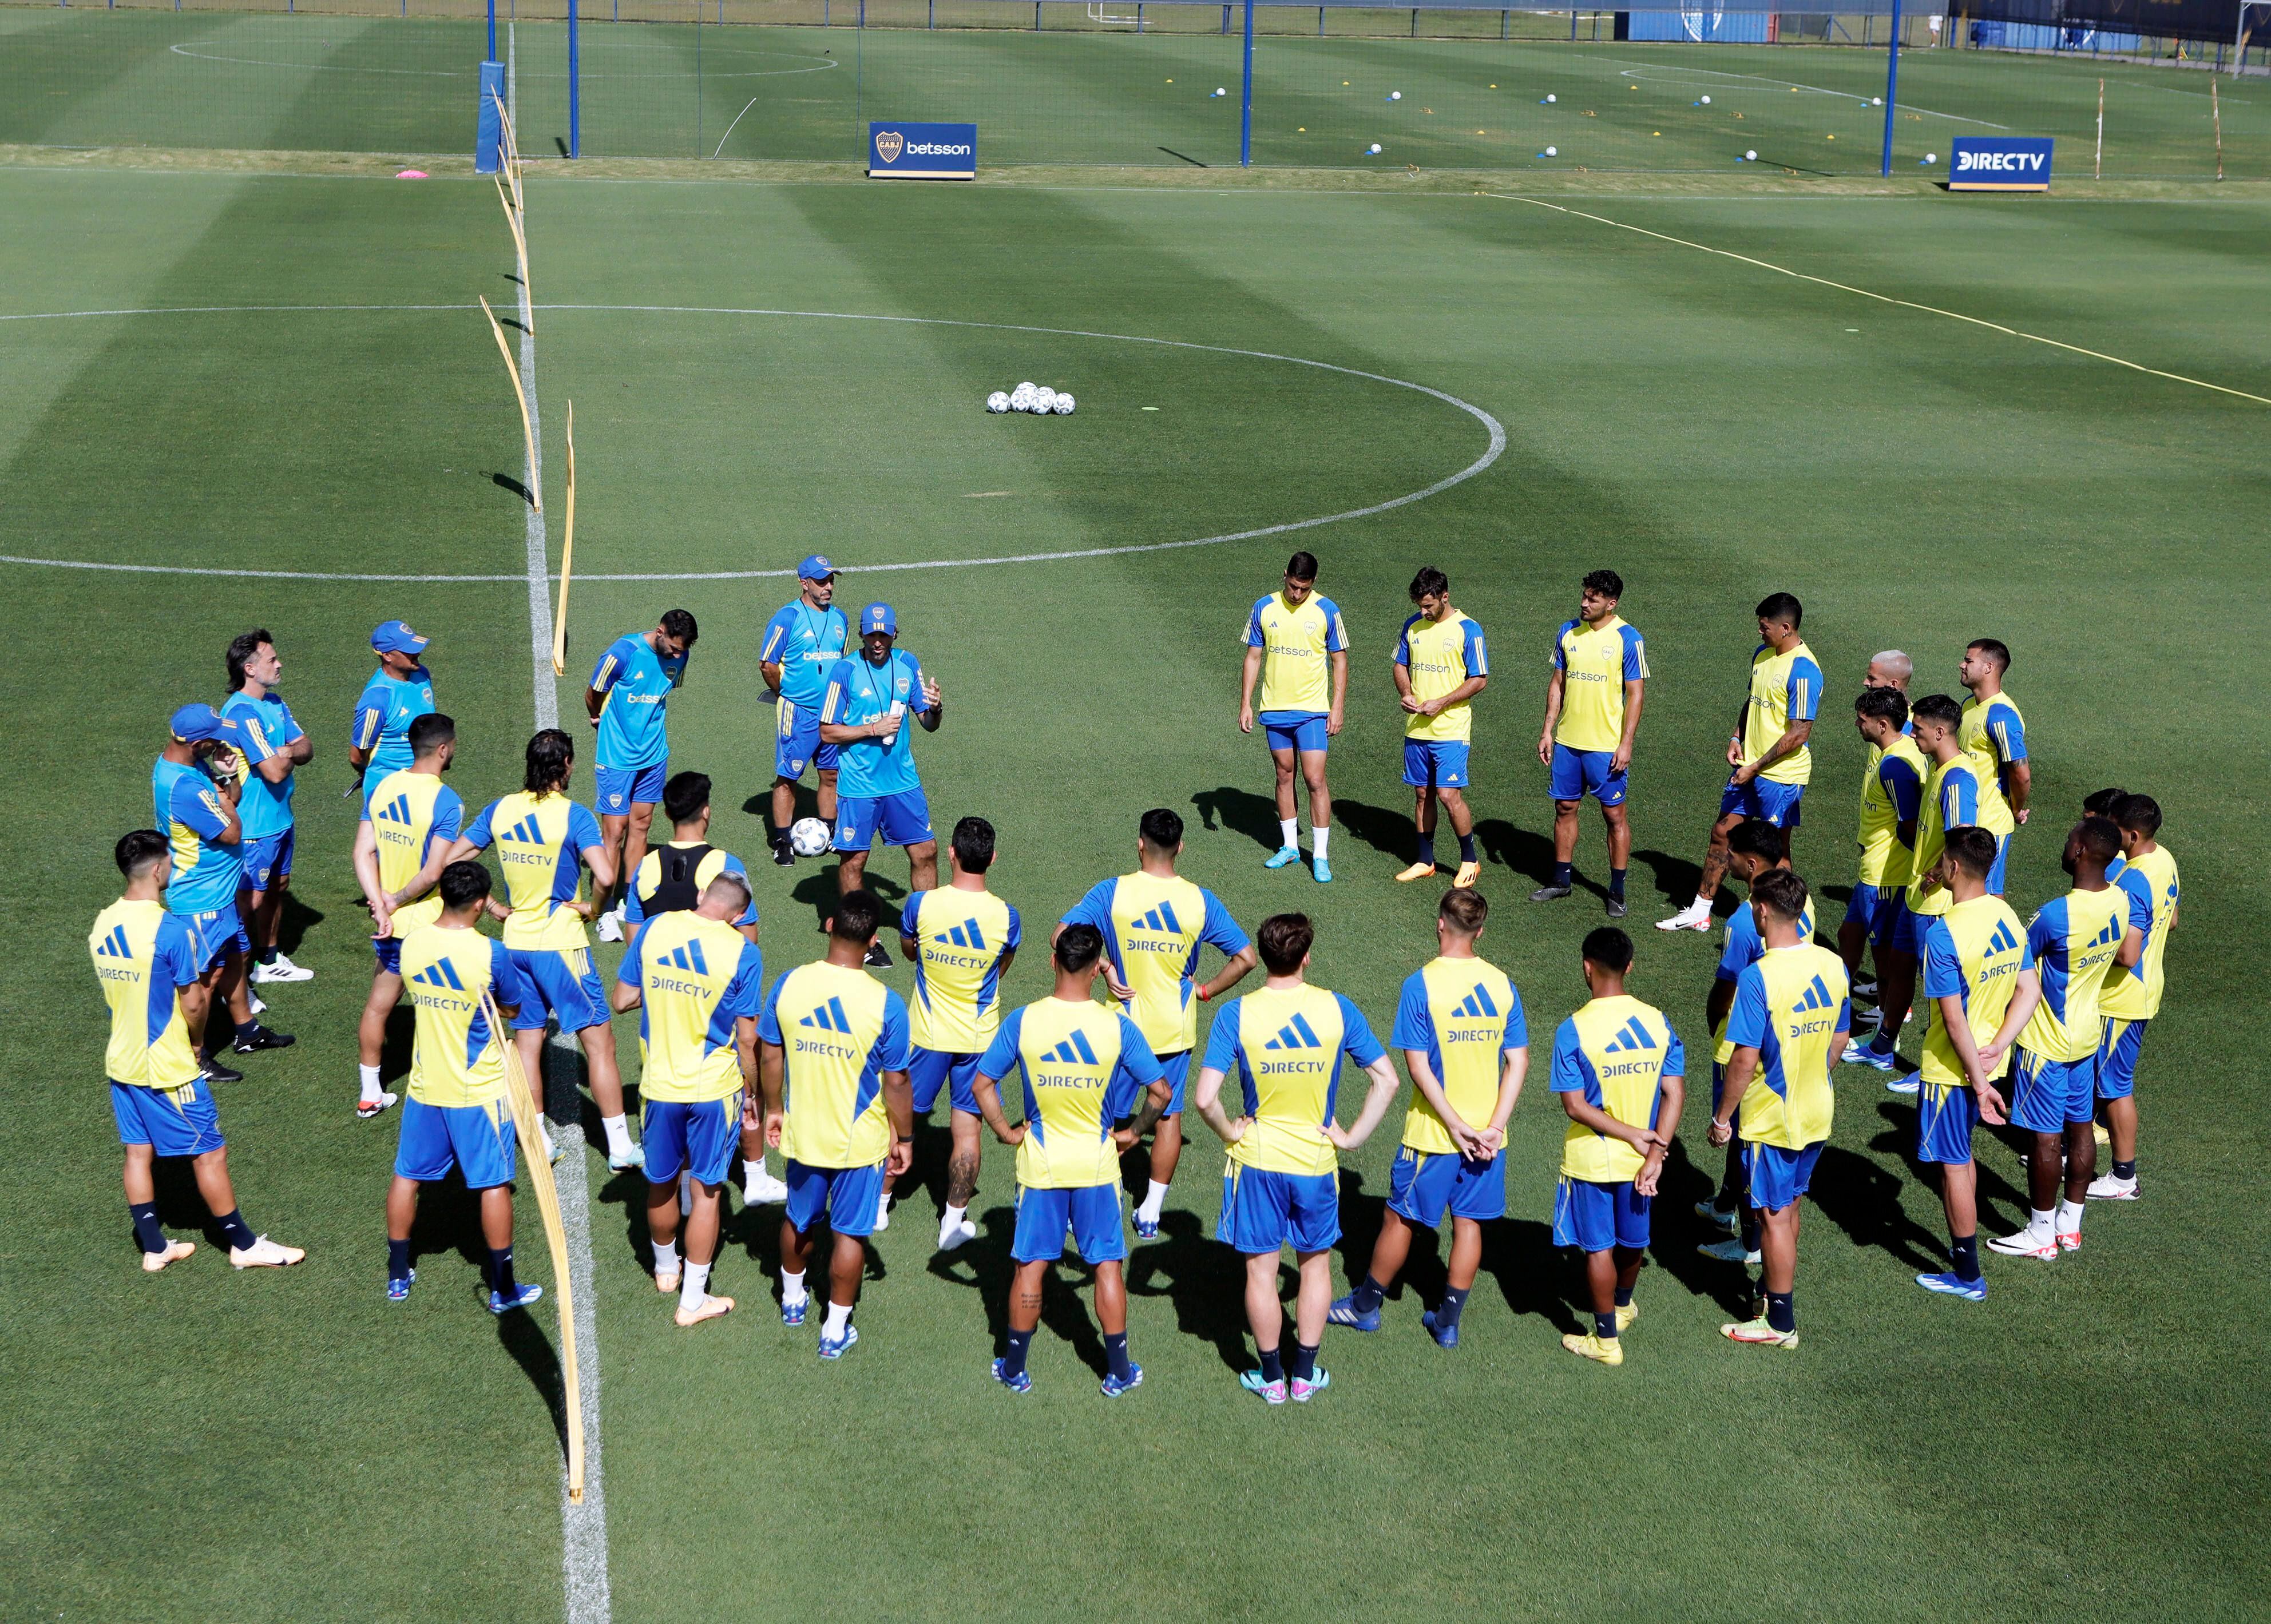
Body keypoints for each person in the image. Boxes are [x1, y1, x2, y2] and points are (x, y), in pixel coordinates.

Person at [1193, 913, 1400, 1404]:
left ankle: (1271, 1379)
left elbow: (1204, 1099)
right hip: (1314, 1165)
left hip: (1258, 1162)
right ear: (1305, 956)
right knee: (1315, 1267)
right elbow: (1387, 1080)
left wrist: (1231, 1130)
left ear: (1264, 957)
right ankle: (1304, 1375)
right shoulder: (1337, 1009)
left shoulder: (1235, 1014)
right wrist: (1349, 1138)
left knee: (1260, 1272)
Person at [969, 924, 1168, 1396]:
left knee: (1030, 1267)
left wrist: (1005, 1131)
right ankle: (1118, 1370)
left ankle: (1014, 1366)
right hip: (1098, 1169)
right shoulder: (1117, 1026)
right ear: (1099, 968)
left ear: (1052, 961)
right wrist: (1132, 1133)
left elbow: (981, 1085)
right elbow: (1160, 1092)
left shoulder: (1023, 1020)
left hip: (1040, 1169)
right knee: (1106, 1267)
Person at [93, 830, 302, 1273]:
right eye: (169, 860)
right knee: (210, 1152)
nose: (172, 866)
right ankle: (243, 1245)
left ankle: (154, 1245)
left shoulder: (103, 922)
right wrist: (195, 1042)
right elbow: (193, 1001)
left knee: (137, 1151)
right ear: (156, 869)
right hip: (166, 1066)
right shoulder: (168, 930)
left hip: (122, 1060)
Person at [1329, 890, 1528, 1348]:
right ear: (1479, 931)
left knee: (1398, 1218)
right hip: (1488, 1140)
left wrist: (1454, 1124)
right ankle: (1447, 1321)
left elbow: (1417, 1067)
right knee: (1469, 1223)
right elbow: (1517, 1062)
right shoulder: (1501, 984)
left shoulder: (1420, 984)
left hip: (1434, 1135)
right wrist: (1493, 1126)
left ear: (1441, 923)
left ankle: (1365, 1306)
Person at [1058, 808, 1257, 1238]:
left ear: (1140, 843)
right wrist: (1203, 990)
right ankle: (1150, 1211)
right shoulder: (1200, 901)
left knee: (1096, 1114)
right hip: (1173, 1030)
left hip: (1118, 1029)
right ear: (1181, 847)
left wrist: (1106, 966)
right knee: (1168, 1118)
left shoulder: (1113, 892)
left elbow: (1061, 935)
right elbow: (1246, 957)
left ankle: (1089, 1202)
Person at [445, 729, 637, 1171]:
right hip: (562, 946)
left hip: (514, 947)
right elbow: (606, 876)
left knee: (527, 1044)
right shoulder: (576, 815)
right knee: (600, 1046)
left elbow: (454, 860)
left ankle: (537, 1142)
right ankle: (621, 1147)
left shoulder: (499, 809)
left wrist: (493, 905)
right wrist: (593, 907)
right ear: (566, 764)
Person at [758, 891, 914, 1359]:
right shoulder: (886, 1003)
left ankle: (791, 1298)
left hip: (802, 1132)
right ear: (872, 940)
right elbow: (897, 1082)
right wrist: (903, 1137)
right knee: (849, 1234)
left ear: (828, 924)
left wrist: (773, 1109)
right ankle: (834, 1329)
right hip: (859, 1143)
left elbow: (769, 1052)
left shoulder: (789, 984)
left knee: (798, 1218)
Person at [619, 770, 782, 1204]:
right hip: (717, 997)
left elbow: (637, 942)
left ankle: (684, 1188)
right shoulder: (726, 865)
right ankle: (754, 1176)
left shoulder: (645, 867)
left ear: (667, 813)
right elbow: (748, 935)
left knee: (668, 1089)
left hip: (662, 1001)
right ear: (705, 811)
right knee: (746, 1072)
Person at [384, 861, 542, 1312]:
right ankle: (502, 1287)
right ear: (478, 905)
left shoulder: (412, 944)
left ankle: (398, 1274)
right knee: (495, 1183)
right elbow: (511, 1008)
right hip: (479, 1090)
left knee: (407, 1175)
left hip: (425, 1085)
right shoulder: (491, 953)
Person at [612, 870, 765, 1327]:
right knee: (706, 1191)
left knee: (661, 1181)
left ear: (701, 896)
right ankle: (693, 1300)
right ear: (739, 914)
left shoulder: (655, 928)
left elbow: (622, 999)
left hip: (658, 1085)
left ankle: (664, 1269)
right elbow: (747, 1038)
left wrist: (664, 993)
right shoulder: (744, 952)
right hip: (713, 1090)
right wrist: (752, 1091)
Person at [1709, 871, 1846, 1348]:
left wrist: (1722, 1118)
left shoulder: (1758, 976)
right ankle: (1770, 1293)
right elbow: (1841, 1037)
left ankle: (1780, 1322)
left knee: (1770, 1212)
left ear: (1762, 911)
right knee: (1788, 1206)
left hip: (1773, 1117)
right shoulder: (1832, 963)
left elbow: (1743, 1058)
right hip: (1817, 1109)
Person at [1989, 818, 2137, 1258]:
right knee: (2080, 1132)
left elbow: (2013, 960)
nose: (2065, 842)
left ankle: (2039, 1233)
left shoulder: (2056, 914)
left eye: (2069, 838)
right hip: (2086, 1036)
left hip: (2045, 1042)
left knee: (2045, 1140)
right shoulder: (2119, 898)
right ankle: (2069, 1226)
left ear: (2080, 852)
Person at [1909, 828, 2039, 1301]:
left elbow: (1952, 1018)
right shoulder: (2005, 913)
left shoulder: (1943, 933)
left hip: (1951, 1070)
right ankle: (1965, 1269)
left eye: (1943, 861)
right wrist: (1999, 1046)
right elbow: (2029, 990)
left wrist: (1979, 1081)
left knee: (1953, 1163)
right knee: (1962, 1157)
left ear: (1955, 867)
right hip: (1986, 1062)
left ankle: (1966, 1275)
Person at [1553, 926, 1686, 1365]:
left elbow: (1574, 1106)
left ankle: (1606, 1341)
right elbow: (1674, 1092)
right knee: (1632, 1241)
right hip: (1641, 1163)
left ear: (1586, 968)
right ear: (1629, 967)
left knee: (1597, 1248)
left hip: (1592, 1160)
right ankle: (1624, 1304)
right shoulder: (1657, 1021)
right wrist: (1655, 1152)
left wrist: (1628, 1133)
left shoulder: (1572, 1029)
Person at [1659, 594, 1821, 931]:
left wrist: (1754, 767)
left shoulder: (1804, 671)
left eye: (1765, 627)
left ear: (1786, 628)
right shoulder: (1762, 655)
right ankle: (1700, 911)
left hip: (1780, 776)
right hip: (1749, 768)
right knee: (1722, 833)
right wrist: (1737, 737)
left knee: (1775, 852)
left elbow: (1799, 734)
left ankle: (1787, 922)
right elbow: (1753, 702)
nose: (1760, 632)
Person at [899, 815, 1021, 1250]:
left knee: (901, 1120)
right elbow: (1000, 969)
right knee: (966, 1131)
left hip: (926, 1035)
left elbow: (909, 949)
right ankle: (952, 1222)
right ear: (991, 858)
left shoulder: (920, 905)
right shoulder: (1007, 917)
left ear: (950, 854)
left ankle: (876, 1203)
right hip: (979, 1040)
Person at [153, 704, 292, 1085]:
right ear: (197, 742)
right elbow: (232, 831)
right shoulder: (184, 787)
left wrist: (229, 778)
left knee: (237, 957)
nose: (221, 740)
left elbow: (232, 796)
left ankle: (246, 1030)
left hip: (219, 892)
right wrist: (227, 803)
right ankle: (192, 1055)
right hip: (200, 897)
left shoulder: (188, 766)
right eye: (214, 735)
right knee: (204, 978)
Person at [1694, 820, 1811, 1266]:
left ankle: (1749, 1241)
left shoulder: (1747, 918)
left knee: (1742, 1141)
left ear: (1749, 862)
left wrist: (1712, 1021)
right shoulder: (1799, 900)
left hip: (1740, 1042)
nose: (1725, 862)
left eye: (1730, 856)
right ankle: (1726, 1203)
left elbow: (1725, 986)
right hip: (1788, 1038)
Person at [818, 603, 944, 966]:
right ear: (861, 635)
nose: (878, 642)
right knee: (854, 860)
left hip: (903, 782)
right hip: (859, 786)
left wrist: (936, 706)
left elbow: (928, 722)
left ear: (894, 634)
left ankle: (928, 932)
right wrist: (872, 730)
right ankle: (864, 942)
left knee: (926, 851)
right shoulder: (844, 671)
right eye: (872, 635)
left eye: (884, 635)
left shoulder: (908, 663)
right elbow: (827, 731)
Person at [352, 713, 463, 1121]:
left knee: (378, 1007)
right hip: (431, 924)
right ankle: (443, 1091)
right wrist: (396, 900)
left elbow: (362, 852)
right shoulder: (445, 800)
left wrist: (379, 905)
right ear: (443, 749)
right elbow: (434, 872)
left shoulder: (382, 786)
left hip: (391, 928)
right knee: (443, 1009)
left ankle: (369, 1093)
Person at [1873, 693, 1984, 1094]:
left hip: (1935, 901)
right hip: (1916, 896)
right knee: (1900, 966)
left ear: (1939, 731)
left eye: (1917, 728)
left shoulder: (1957, 778)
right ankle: (1883, 1045)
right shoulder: (1938, 767)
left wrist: (1935, 873)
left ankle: (1938, 1065)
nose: (1910, 733)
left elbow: (1962, 838)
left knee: (1941, 992)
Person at [1533, 569, 1647, 916]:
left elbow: (1636, 694)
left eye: (1592, 599)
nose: (1584, 603)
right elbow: (1558, 683)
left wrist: (1626, 744)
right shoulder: (1568, 631)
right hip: (1567, 742)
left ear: (1611, 604)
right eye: (1584, 596)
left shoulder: (1628, 638)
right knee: (1565, 809)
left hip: (1605, 747)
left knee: (1614, 815)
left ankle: (1617, 890)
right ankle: (1561, 880)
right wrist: (1547, 730)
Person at [586, 609, 697, 942]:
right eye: (674, 648)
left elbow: (664, 691)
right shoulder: (623, 653)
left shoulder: (681, 656)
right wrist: (597, 717)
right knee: (614, 832)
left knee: (641, 825)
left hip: (654, 755)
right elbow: (593, 692)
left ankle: (628, 901)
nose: (677, 655)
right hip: (617, 757)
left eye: (682, 650)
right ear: (659, 632)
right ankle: (603, 911)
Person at [1239, 551, 1349, 883]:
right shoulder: (1264, 607)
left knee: (1315, 779)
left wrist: (1338, 705)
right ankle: (1289, 847)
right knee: (1284, 774)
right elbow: (1253, 657)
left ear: (1313, 583)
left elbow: (1340, 661)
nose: (1296, 594)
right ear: (1285, 574)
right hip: (1274, 708)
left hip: (1313, 710)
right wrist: (1246, 703)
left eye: (1303, 588)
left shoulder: (1327, 611)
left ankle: (1320, 855)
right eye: (1292, 586)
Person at [2090, 794, 2178, 1201]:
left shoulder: (2131, 878)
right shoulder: (2166, 860)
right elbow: (2172, 919)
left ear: (2132, 834)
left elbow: (2126, 954)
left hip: (2121, 997)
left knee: (2114, 1086)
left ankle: (2123, 1177)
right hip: (2146, 989)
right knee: (2109, 1080)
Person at [219, 630, 315, 984]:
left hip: (280, 818)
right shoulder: (243, 713)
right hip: (255, 825)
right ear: (250, 669)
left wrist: (287, 751)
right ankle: (237, 982)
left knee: (278, 887)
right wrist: (286, 755)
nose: (279, 664)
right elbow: (274, 773)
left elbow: (306, 748)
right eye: (271, 660)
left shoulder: (274, 704)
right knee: (249, 902)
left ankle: (269, 960)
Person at [1392, 567, 1490, 888]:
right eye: (1420, 606)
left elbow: (1479, 680)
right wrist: (1406, 693)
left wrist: (1442, 702)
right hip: (1417, 728)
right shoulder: (1412, 625)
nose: (1423, 612)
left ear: (1445, 597)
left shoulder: (1468, 630)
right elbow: (1400, 665)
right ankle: (1424, 860)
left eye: (1429, 606)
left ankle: (1469, 859)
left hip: (1451, 729)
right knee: (1423, 794)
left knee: (1449, 795)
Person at [1839, 688, 1924, 1050]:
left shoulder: (1895, 765)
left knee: (1887, 960)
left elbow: (1911, 825)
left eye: (1863, 719)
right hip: (1872, 871)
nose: (1858, 724)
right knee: (1849, 936)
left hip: (1887, 877)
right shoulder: (1894, 753)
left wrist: (1918, 867)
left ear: (1883, 724)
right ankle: (1842, 1011)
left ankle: (1885, 1041)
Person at [760, 557, 850, 865]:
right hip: (797, 713)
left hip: (831, 714)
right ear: (804, 583)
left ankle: (828, 831)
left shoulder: (841, 618)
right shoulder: (787, 618)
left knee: (830, 774)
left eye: (831, 581)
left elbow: (842, 663)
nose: (828, 587)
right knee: (788, 777)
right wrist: (783, 694)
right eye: (821, 581)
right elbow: (767, 663)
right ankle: (783, 839)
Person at [348, 620, 435, 811]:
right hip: (389, 795)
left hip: (425, 786)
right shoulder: (377, 699)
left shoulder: (422, 675)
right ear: (388, 656)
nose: (418, 653)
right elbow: (357, 756)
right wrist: (374, 776)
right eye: (409, 650)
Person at [1957, 640, 2030, 866]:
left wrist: (2016, 809)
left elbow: (2021, 775)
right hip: (1965, 820)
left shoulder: (2000, 716)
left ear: (1988, 668)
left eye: (1969, 661)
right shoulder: (1969, 705)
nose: (1962, 665)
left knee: (1987, 894)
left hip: (1989, 827)